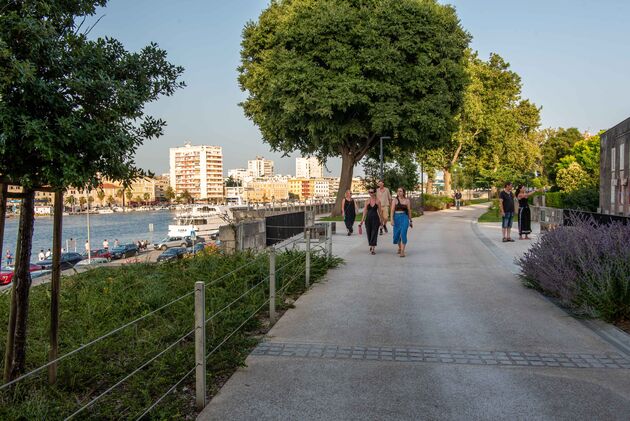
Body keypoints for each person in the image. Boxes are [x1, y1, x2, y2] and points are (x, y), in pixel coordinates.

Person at [359, 189, 384, 255]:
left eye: (372, 192)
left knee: (374, 233)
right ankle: (371, 244)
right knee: (369, 233)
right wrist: (362, 220)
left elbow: (380, 212)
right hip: (368, 220)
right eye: (369, 192)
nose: (370, 193)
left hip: (375, 219)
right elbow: (365, 211)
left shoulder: (378, 201)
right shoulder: (367, 201)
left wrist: (381, 220)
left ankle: (373, 248)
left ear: (374, 193)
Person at [390, 187, 413, 257]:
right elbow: (392, 211)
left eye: (400, 191)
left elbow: (409, 211)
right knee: (396, 236)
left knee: (403, 234)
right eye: (398, 191)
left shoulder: (407, 201)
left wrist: (410, 220)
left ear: (403, 192)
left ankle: (402, 251)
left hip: (404, 218)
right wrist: (391, 219)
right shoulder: (394, 200)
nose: (399, 192)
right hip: (396, 218)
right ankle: (399, 247)